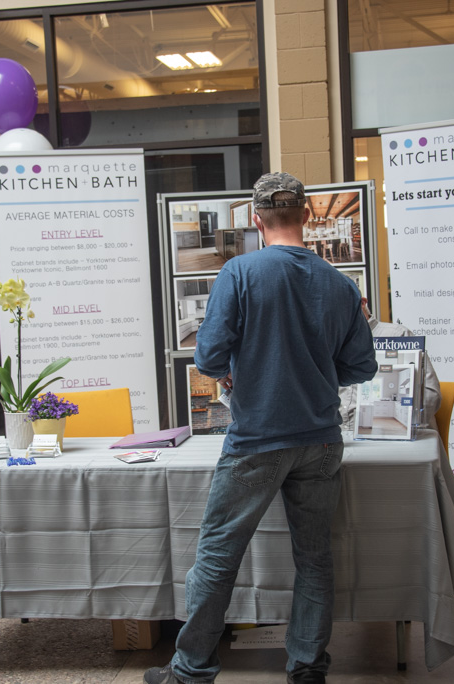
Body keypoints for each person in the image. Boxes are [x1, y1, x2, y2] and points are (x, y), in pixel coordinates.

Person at [145, 172, 378, 684]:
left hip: (256, 440)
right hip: (320, 439)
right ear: (309, 216)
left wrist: (247, 367)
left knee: (218, 555)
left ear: (256, 220)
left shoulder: (240, 272)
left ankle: (191, 670)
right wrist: (314, 372)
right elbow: (363, 368)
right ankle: (307, 667)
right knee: (314, 557)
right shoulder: (341, 285)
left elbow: (208, 356)